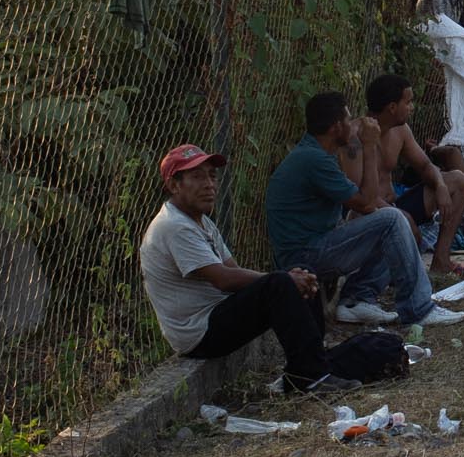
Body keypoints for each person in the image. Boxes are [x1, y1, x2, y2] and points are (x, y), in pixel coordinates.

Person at [140, 144, 347, 393]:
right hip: (199, 334)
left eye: (212, 176)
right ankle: (310, 377)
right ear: (174, 185)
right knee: (282, 283)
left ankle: (315, 363)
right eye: (197, 176)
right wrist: (283, 280)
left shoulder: (201, 220)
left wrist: (290, 279)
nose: (209, 184)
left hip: (215, 315)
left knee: (298, 272)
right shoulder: (173, 226)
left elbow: (233, 270)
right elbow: (224, 280)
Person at [264, 93, 464, 327]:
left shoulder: (315, 154)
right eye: (349, 120)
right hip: (303, 257)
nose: (354, 125)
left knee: (388, 222)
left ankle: (356, 300)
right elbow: (368, 202)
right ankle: (418, 309)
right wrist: (369, 146)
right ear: (336, 127)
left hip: (312, 247)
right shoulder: (313, 160)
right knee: (391, 219)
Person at [349, 74, 464, 278]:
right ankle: (384, 273)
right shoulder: (354, 138)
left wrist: (441, 186)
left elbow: (425, 165)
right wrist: (398, 216)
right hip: (368, 214)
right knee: (399, 220)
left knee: (459, 181)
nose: (412, 107)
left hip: (396, 205)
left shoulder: (401, 130)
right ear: (392, 107)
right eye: (408, 102)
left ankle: (441, 262)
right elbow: (358, 196)